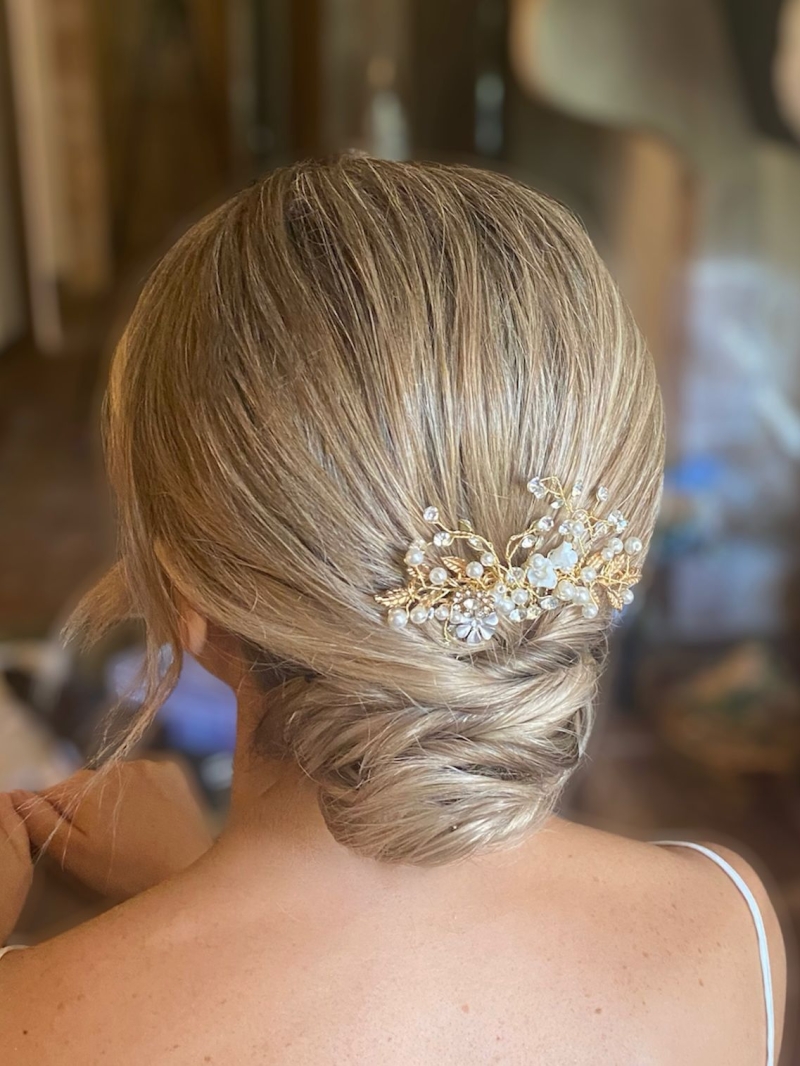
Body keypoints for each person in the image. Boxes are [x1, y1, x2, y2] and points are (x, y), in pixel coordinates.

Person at [0, 156, 786, 1064]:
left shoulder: (29, 1023)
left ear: (190, 596)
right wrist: (184, 877)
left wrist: (173, 900)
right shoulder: (725, 934)